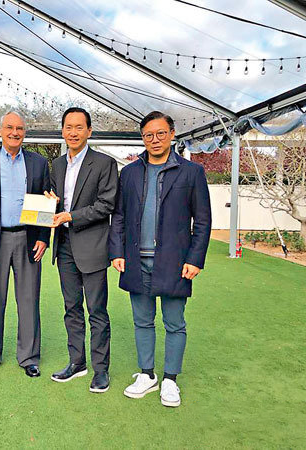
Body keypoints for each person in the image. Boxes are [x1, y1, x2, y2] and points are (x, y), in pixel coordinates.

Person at [108, 111, 211, 407]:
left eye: (161, 133)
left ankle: (170, 380)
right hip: (135, 260)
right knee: (142, 321)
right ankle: (147, 374)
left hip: (175, 262)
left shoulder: (191, 172)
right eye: (148, 135)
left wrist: (195, 259)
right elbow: (119, 216)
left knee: (174, 323)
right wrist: (116, 251)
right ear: (143, 138)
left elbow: (202, 220)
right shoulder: (129, 173)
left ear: (172, 134)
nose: (155, 140)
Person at [0, 111, 50, 378]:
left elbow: (45, 199)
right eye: (9, 128)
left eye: (19, 128)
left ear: (24, 132)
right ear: (0, 130)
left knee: (28, 300)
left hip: (28, 238)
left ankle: (29, 357)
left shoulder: (38, 163)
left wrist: (43, 237)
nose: (15, 132)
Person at [46, 107, 118, 393]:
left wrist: (70, 216)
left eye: (79, 127)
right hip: (64, 245)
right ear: (62, 131)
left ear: (89, 131)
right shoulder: (57, 164)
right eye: (68, 127)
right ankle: (77, 363)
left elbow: (106, 205)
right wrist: (52, 204)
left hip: (92, 247)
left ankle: (101, 370)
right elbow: (59, 202)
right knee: (71, 308)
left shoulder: (104, 163)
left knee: (97, 311)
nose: (73, 132)